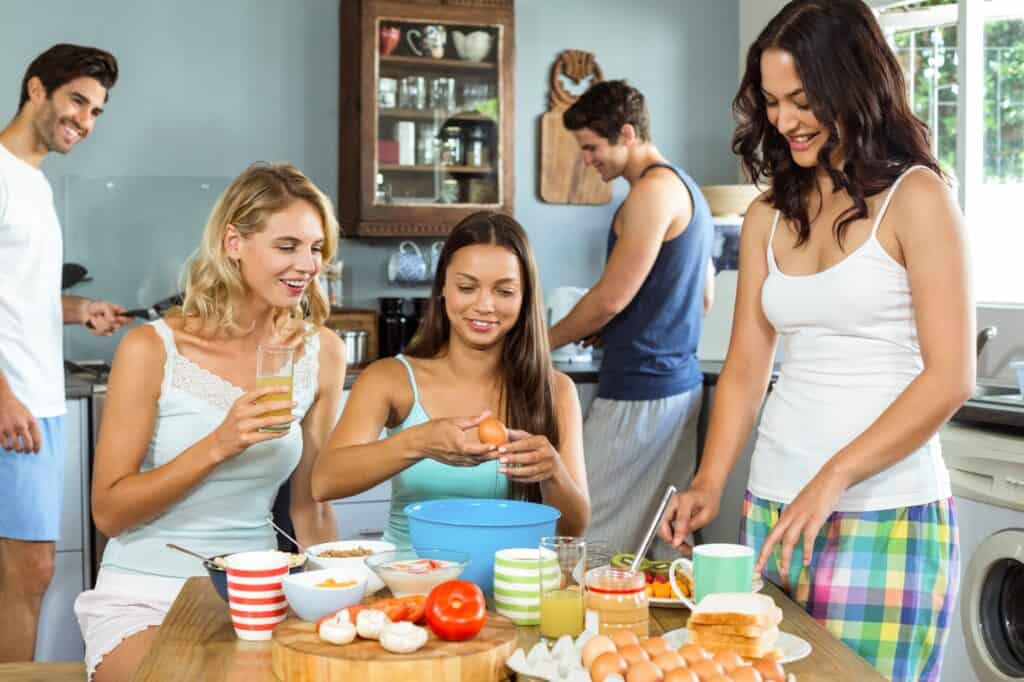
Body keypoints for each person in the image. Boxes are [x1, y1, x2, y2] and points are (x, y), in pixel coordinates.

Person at [659, 2, 972, 680]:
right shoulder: (770, 212)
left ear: (853, 85)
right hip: (774, 505)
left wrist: (833, 476)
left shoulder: (917, 197)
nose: (784, 121)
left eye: (803, 100)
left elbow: (950, 377)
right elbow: (745, 366)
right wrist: (710, 481)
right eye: (772, 102)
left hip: (884, 512)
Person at [75, 162, 344, 681]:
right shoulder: (153, 348)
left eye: (315, 248)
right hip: (146, 596)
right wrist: (219, 443)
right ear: (234, 242)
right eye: (287, 246)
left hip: (260, 598)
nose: (306, 264)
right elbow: (109, 512)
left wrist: (332, 599)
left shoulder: (320, 353)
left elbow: (312, 509)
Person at [314, 211, 589, 547]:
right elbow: (324, 482)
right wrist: (418, 442)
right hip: (410, 588)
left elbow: (574, 529)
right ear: (443, 285)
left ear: (524, 296)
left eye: (504, 291)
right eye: (467, 287)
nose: (485, 305)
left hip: (514, 586)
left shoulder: (556, 390)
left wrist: (554, 472)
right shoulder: (390, 379)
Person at [0, 43, 129, 663]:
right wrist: (2, 396)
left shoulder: (35, 184)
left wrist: (82, 310)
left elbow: (20, 293)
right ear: (35, 90)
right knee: (29, 572)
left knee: (27, 574)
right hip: (13, 405)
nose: (86, 119)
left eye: (97, 110)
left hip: (36, 403)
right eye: (77, 100)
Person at [550, 80, 714, 557]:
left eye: (592, 148)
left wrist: (540, 342)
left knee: (582, 525)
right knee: (660, 539)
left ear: (626, 134)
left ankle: (574, 630)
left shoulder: (650, 194)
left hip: (642, 390)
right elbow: (700, 297)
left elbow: (609, 300)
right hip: (676, 388)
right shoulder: (686, 188)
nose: (587, 160)